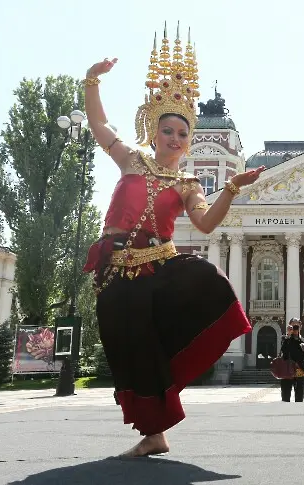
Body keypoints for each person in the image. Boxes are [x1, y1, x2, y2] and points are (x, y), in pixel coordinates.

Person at [81, 25, 265, 457]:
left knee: (157, 334)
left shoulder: (188, 183)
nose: (176, 140)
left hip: (156, 270)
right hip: (114, 271)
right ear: (154, 130)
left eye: (184, 135)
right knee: (125, 350)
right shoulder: (129, 158)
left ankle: (154, 435)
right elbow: (97, 122)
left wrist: (232, 189)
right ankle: (154, 433)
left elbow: (204, 226)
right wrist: (92, 80)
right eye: (169, 131)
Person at [279, 318, 304, 402]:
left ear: (300, 327)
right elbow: (283, 352)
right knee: (285, 396)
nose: (295, 328)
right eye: (293, 326)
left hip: (300, 370)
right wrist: (288, 335)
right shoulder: (285, 339)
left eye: (297, 326)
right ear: (289, 326)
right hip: (287, 370)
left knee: (299, 397)